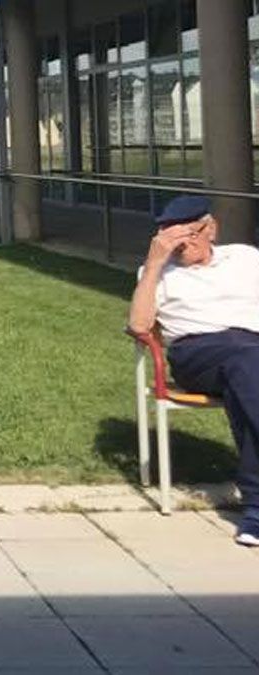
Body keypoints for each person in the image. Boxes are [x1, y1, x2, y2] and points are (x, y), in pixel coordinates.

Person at [127, 195, 259, 547]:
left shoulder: (246, 259)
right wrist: (154, 265)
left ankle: (256, 510)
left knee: (247, 373)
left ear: (211, 228)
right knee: (245, 361)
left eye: (191, 233)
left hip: (251, 350)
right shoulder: (156, 273)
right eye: (172, 237)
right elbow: (139, 326)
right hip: (197, 353)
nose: (184, 243)